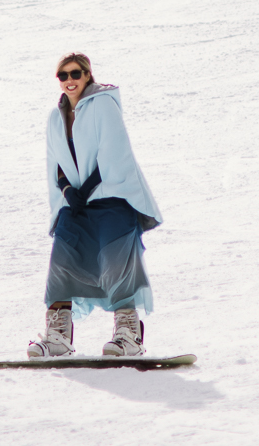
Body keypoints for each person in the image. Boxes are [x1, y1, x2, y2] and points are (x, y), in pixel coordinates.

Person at [29, 53, 164, 358]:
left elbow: (114, 150)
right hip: (76, 203)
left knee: (118, 261)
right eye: (62, 76)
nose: (69, 81)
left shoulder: (103, 104)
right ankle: (58, 336)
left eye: (75, 73)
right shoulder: (56, 116)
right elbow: (57, 161)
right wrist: (67, 190)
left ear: (88, 75)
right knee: (62, 257)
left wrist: (87, 188)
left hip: (111, 197)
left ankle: (129, 334)